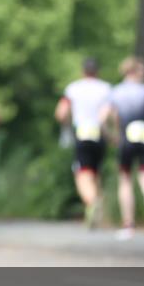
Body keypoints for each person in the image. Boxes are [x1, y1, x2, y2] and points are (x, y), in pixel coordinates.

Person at [99, 57, 144, 241]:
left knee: (125, 179)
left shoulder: (116, 92)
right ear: (135, 71)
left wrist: (110, 135)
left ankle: (128, 224)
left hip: (126, 136)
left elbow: (102, 118)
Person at [55, 58, 112, 228]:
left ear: (83, 71)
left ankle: (92, 203)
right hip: (100, 134)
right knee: (95, 172)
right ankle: (99, 211)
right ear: (97, 71)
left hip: (82, 133)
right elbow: (110, 113)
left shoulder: (74, 88)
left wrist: (66, 127)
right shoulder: (106, 88)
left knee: (82, 174)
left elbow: (61, 113)